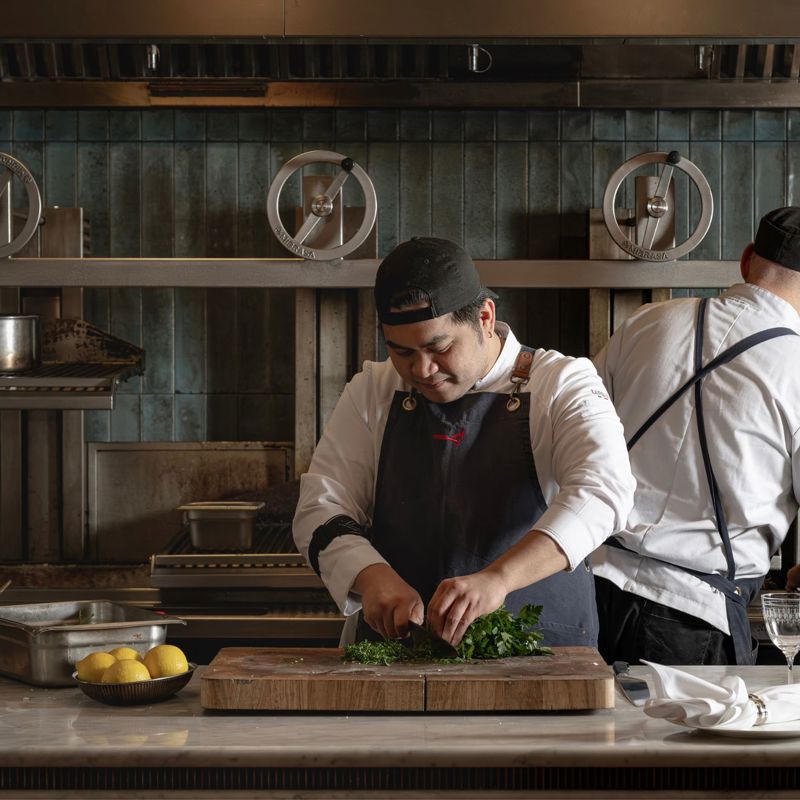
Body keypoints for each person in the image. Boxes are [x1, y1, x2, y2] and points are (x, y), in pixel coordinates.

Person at [293, 236, 635, 648]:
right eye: (400, 351)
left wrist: (499, 578)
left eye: (440, 347)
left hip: (540, 656)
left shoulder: (562, 383)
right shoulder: (373, 389)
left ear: (485, 318)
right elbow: (320, 507)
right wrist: (370, 575)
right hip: (400, 656)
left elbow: (604, 491)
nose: (421, 369)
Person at [593, 206, 800, 666]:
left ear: (747, 259)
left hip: (589, 592)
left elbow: (574, 436)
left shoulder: (646, 322)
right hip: (692, 617)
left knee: (586, 738)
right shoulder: (797, 365)